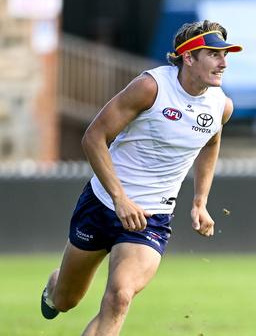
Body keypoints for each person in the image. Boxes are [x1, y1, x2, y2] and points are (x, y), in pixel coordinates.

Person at [40, 20, 242, 335]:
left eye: (225, 55)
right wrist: (120, 198)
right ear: (188, 57)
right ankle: (55, 288)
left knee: (119, 297)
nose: (223, 63)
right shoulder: (151, 87)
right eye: (214, 54)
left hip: (153, 216)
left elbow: (211, 142)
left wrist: (200, 202)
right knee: (66, 300)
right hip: (102, 204)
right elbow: (93, 138)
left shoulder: (221, 105)